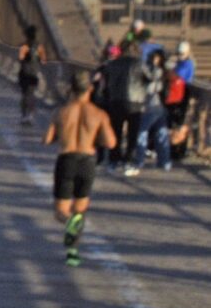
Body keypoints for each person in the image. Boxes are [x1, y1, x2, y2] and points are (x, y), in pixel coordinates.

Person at [45, 70, 117, 267]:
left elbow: (47, 139)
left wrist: (62, 134)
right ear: (90, 89)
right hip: (87, 161)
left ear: (71, 89)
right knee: (79, 211)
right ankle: (73, 252)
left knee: (62, 212)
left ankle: (69, 227)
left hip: (67, 159)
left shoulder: (61, 112)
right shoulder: (99, 114)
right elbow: (111, 142)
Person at [98, 41, 153, 176]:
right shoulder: (139, 64)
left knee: (116, 131)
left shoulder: (112, 64)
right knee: (132, 134)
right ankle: (129, 160)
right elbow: (150, 79)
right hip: (135, 102)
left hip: (116, 101)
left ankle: (114, 159)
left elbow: (104, 82)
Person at [141, 51, 175, 171]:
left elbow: (150, 89)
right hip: (162, 106)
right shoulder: (168, 72)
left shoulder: (156, 71)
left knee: (143, 132)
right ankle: (165, 161)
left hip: (153, 106)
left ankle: (138, 160)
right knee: (161, 133)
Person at [16, 34, 45, 124]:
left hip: (24, 74)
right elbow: (43, 60)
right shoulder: (39, 47)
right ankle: (31, 115)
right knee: (31, 94)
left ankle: (24, 115)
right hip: (33, 75)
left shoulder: (23, 46)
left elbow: (20, 58)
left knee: (24, 94)